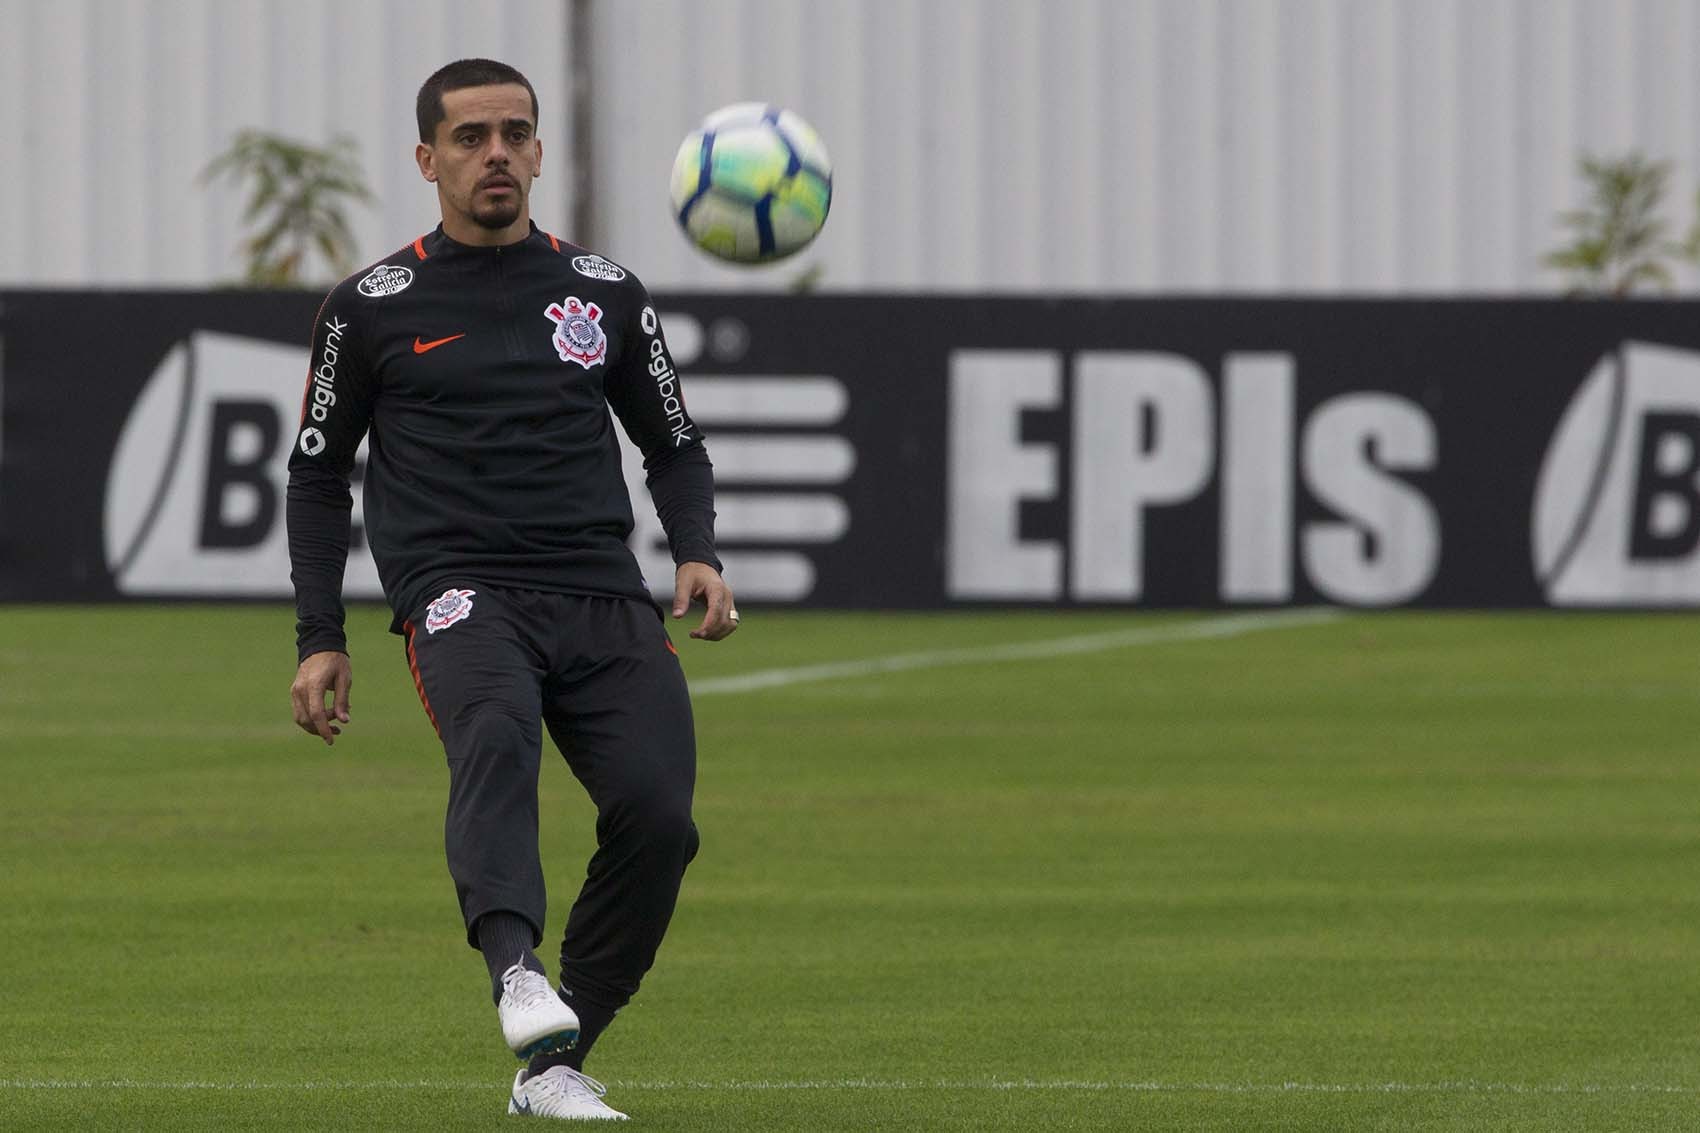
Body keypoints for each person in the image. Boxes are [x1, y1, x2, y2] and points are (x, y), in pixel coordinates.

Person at [286, 57, 736, 1122]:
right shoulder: (370, 306)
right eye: (470, 136)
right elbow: (315, 471)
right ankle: (513, 967)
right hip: (457, 588)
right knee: (494, 737)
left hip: (598, 590)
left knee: (659, 816)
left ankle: (554, 1058)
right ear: (427, 158)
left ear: (538, 151)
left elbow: (672, 442)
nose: (495, 153)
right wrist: (320, 633)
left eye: (514, 134)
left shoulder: (606, 292)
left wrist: (696, 549)